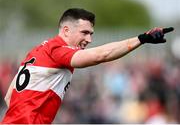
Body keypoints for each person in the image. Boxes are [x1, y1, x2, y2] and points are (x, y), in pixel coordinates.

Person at [1, 8, 174, 124]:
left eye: (91, 34)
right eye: (84, 33)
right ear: (66, 30)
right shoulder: (58, 50)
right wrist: (141, 39)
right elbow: (101, 55)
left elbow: (10, 97)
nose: (89, 40)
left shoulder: (37, 52)